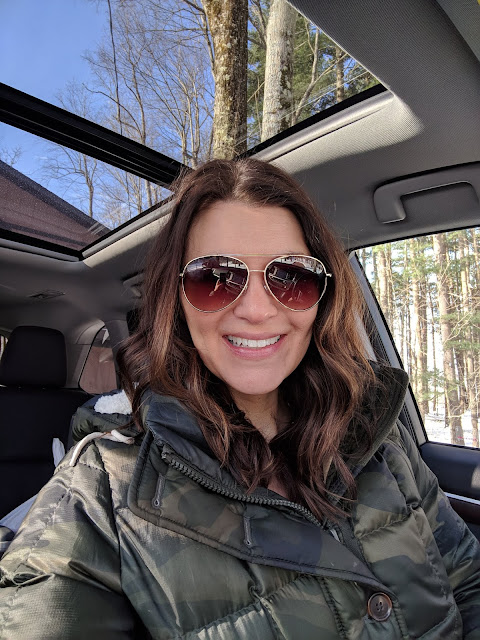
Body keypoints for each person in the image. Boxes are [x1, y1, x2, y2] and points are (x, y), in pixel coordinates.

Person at [0, 158, 479, 639]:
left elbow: (469, 582)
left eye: (290, 276)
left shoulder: (377, 435)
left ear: (322, 297)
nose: (255, 310)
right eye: (213, 277)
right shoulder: (97, 493)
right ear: (175, 300)